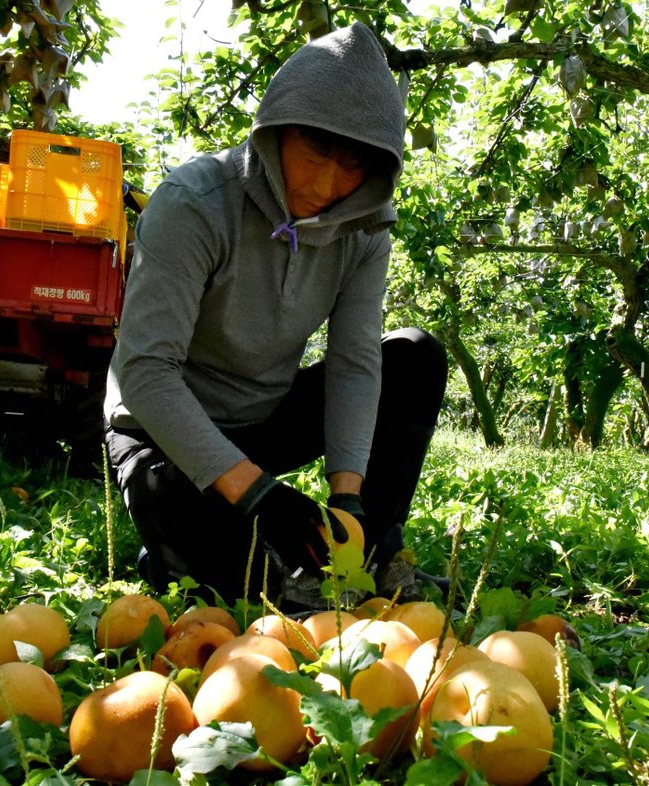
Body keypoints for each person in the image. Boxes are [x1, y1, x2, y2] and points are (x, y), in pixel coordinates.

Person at [104, 22, 447, 608]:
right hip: (164, 433)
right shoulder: (194, 204)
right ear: (276, 133)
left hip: (265, 417)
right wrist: (259, 495)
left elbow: (355, 362)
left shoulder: (361, 228)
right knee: (250, 591)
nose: (327, 184)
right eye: (315, 154)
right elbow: (145, 373)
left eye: (353, 168)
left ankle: (375, 555)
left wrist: (349, 498)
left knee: (412, 358)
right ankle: (184, 545)